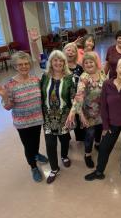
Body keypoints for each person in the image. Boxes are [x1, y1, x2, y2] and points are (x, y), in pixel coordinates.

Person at [84, 58, 121, 181]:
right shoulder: (107, 84)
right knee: (104, 147)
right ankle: (99, 171)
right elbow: (103, 106)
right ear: (116, 69)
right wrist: (105, 126)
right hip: (112, 123)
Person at [0, 51, 48, 182]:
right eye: (20, 64)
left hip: (37, 119)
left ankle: (36, 153)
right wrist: (5, 96)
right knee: (28, 145)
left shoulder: (35, 80)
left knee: (35, 141)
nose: (24, 66)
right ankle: (33, 167)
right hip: (22, 123)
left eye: (26, 63)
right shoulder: (10, 85)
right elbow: (8, 107)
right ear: (15, 66)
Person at [41, 50, 75, 184]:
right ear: (51, 62)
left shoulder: (69, 77)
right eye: (55, 60)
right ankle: (54, 168)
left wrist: (73, 112)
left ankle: (64, 156)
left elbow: (73, 97)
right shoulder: (45, 76)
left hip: (64, 116)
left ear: (64, 62)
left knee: (65, 139)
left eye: (61, 60)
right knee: (50, 144)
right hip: (48, 117)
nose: (58, 63)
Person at [67, 52, 106, 168]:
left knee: (99, 130)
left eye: (91, 62)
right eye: (86, 62)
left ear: (95, 62)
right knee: (89, 135)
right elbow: (79, 96)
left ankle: (98, 144)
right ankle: (87, 155)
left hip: (101, 111)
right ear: (83, 65)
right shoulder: (84, 77)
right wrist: (77, 113)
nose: (89, 64)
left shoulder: (102, 72)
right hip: (89, 113)